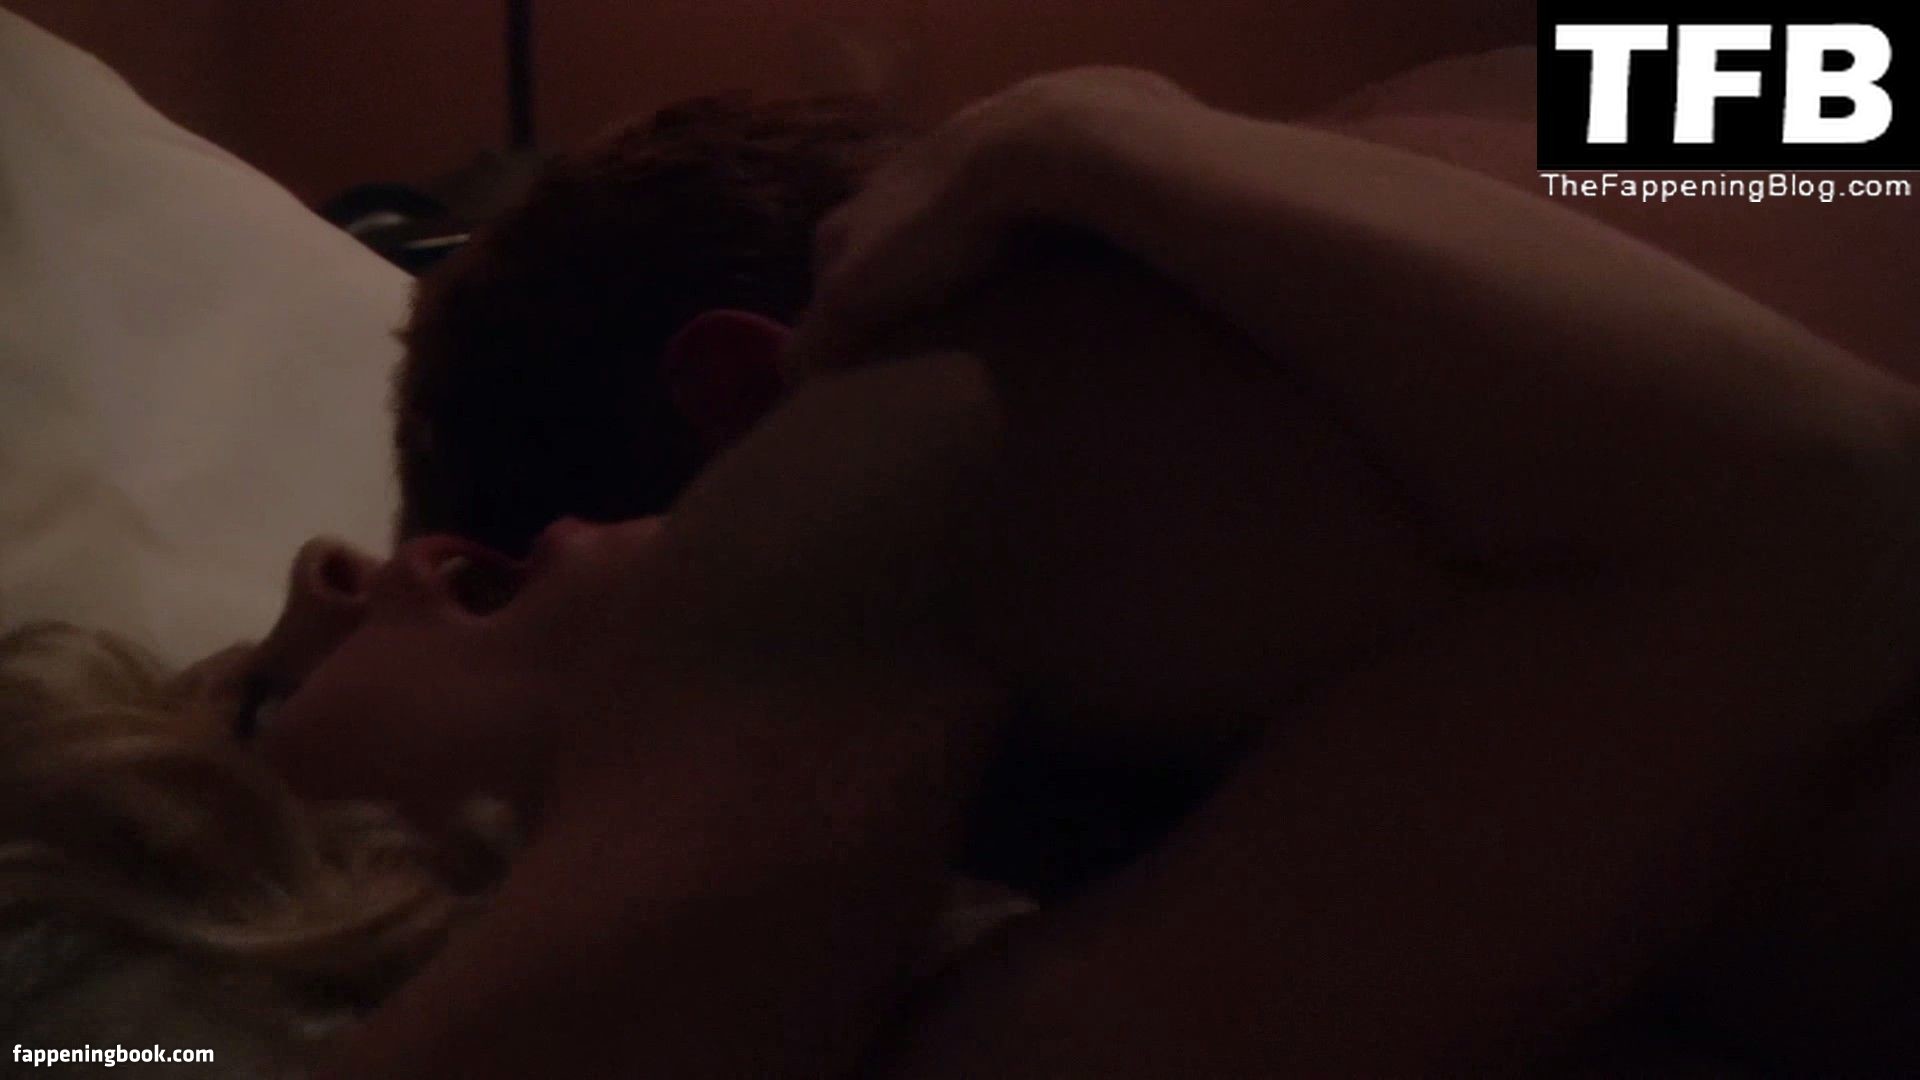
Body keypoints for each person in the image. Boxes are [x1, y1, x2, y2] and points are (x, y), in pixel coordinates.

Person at [240, 66, 1920, 1079]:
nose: (346, 575)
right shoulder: (1440, 117)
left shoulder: (997, 394)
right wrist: (1099, 125)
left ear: (748, 400)